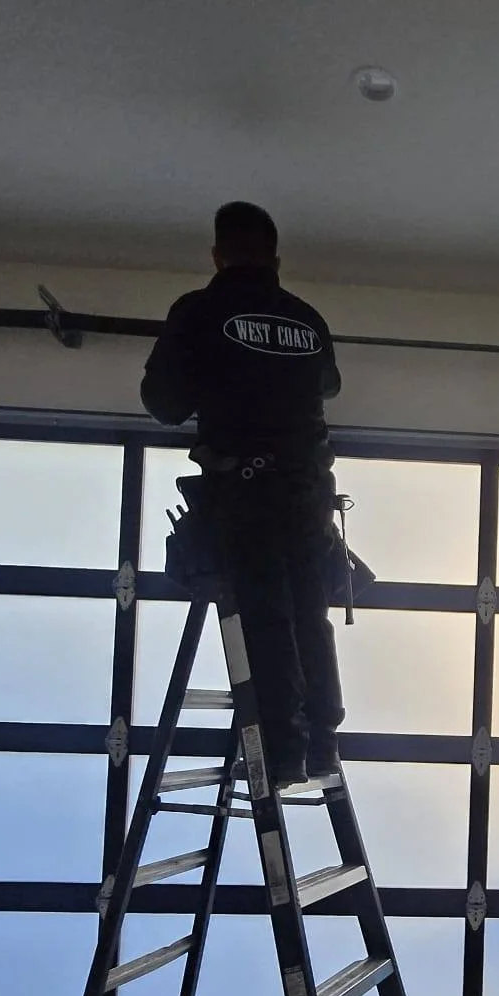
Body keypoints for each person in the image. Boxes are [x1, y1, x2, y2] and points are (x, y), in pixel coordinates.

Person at [140, 201, 345, 786]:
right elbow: (327, 384)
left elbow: (163, 404)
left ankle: (281, 751)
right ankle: (322, 744)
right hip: (309, 494)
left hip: (247, 490)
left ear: (217, 255)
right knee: (310, 614)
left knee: (265, 613)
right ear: (276, 258)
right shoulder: (306, 317)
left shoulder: (200, 311)